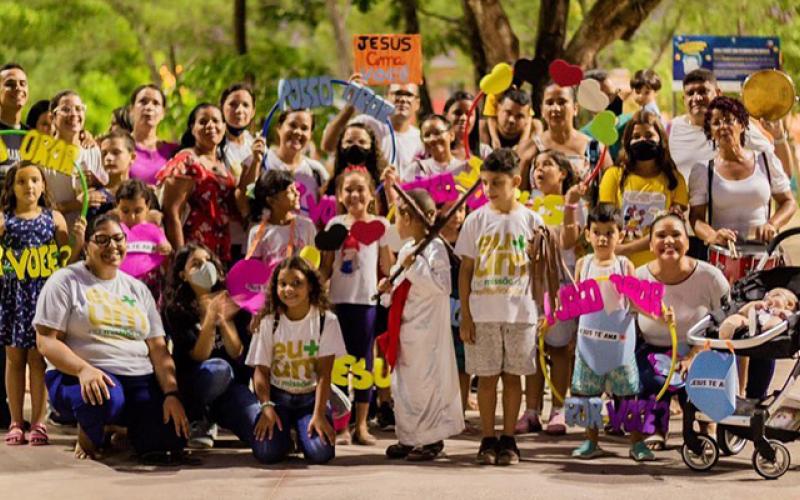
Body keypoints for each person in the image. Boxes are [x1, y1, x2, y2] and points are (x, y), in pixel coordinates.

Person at [34, 214, 189, 461]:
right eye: (102, 240)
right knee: (105, 400)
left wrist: (171, 394)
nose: (113, 246)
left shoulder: (138, 288)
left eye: (118, 239)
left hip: (138, 377)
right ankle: (92, 430)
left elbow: (158, 348)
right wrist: (83, 370)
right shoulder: (65, 281)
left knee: (171, 438)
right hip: (81, 376)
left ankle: (118, 428)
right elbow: (46, 341)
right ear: (87, 245)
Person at [454, 148, 543, 466]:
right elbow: (465, 269)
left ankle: (509, 439)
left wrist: (542, 310)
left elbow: (541, 270)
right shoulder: (476, 220)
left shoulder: (533, 220)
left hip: (521, 313)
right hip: (483, 313)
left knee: (513, 377)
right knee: (487, 378)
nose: (490, 190)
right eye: (486, 183)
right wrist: (466, 313)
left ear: (516, 181)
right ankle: (487, 438)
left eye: (497, 183)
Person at [1, 162, 83, 446]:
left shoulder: (54, 218)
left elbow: (65, 260)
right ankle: (15, 420)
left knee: (38, 359)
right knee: (14, 359)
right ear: (11, 187)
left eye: (35, 180)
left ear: (43, 185)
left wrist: (78, 240)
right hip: (13, 295)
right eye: (22, 181)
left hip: (42, 296)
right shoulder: (4, 220)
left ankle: (38, 421)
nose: (29, 186)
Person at [379, 189, 464, 461]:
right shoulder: (406, 249)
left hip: (428, 333)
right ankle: (408, 437)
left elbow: (442, 286)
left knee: (426, 384)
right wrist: (386, 288)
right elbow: (398, 286)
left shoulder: (435, 248)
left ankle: (430, 439)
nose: (397, 222)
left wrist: (414, 267)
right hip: (406, 329)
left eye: (401, 215)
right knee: (404, 385)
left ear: (413, 219)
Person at [635, 213, 729, 450]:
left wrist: (694, 354)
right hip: (653, 349)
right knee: (654, 376)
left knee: (703, 370)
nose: (669, 241)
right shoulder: (638, 277)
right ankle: (657, 426)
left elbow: (725, 323)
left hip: (702, 347)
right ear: (650, 244)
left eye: (676, 235)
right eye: (661, 236)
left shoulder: (710, 277)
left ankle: (707, 425)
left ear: (687, 242)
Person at [570, 205, 653, 462]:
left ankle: (637, 442)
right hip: (589, 343)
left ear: (621, 236)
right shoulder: (583, 265)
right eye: (597, 232)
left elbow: (636, 301)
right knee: (588, 394)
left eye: (609, 232)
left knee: (628, 393)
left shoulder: (624, 265)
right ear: (588, 235)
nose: (603, 238)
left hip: (620, 343)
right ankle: (590, 440)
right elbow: (576, 303)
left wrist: (658, 314)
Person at [246, 256, 346, 464]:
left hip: (310, 400)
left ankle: (303, 430)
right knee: (266, 453)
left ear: (310, 285)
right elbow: (261, 371)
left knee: (320, 453)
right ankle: (287, 438)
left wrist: (318, 414)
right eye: (282, 284)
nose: (288, 289)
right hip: (277, 397)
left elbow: (323, 374)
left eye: (296, 283)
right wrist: (266, 406)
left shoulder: (325, 320)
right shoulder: (269, 321)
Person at [319, 166, 393, 445]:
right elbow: (326, 266)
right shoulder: (334, 225)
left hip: (366, 303)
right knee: (339, 364)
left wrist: (391, 281)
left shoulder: (380, 226)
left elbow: (387, 265)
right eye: (348, 189)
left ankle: (361, 425)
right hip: (338, 303)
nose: (354, 195)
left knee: (363, 364)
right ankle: (341, 427)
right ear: (339, 195)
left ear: (371, 194)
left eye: (360, 188)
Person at [162, 243, 258, 450]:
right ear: (183, 275)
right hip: (197, 384)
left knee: (261, 433)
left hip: (233, 388)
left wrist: (223, 320)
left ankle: (225, 416)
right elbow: (198, 355)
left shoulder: (234, 301)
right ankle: (200, 418)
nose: (205, 267)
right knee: (218, 369)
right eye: (196, 264)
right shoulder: (176, 310)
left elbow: (237, 351)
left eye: (208, 261)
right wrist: (209, 319)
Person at [516, 150, 584, 435]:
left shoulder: (576, 205)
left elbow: (570, 240)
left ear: (563, 173)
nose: (539, 170)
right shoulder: (524, 204)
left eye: (547, 164)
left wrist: (569, 208)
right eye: (535, 166)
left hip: (561, 285)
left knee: (558, 348)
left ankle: (558, 408)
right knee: (531, 348)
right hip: (530, 283)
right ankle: (530, 411)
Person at [689, 96, 795, 247]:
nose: (723, 126)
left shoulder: (765, 160)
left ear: (742, 125)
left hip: (763, 254)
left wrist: (772, 224)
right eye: (716, 123)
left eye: (729, 120)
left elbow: (789, 202)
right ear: (710, 132)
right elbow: (696, 218)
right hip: (723, 255)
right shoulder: (703, 170)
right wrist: (713, 236)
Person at [599, 110, 688, 267]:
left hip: (661, 267)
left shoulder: (675, 180)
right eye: (636, 137)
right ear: (627, 142)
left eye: (649, 135)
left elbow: (672, 231)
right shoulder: (613, 176)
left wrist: (624, 249)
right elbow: (605, 223)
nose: (642, 140)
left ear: (661, 140)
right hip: (621, 267)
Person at [669, 69, 793, 181]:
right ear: (683, 99)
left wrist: (779, 137)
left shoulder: (736, 128)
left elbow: (783, 173)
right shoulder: (671, 129)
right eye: (690, 93)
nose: (697, 97)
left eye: (703, 91)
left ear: (718, 93)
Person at [158, 103, 240, 265]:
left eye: (216, 121)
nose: (211, 126)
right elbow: (172, 212)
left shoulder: (224, 165)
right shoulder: (187, 160)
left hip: (220, 251)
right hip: (193, 251)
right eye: (203, 122)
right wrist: (181, 259)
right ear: (192, 128)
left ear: (224, 127)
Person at [321, 77, 423, 175]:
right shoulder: (366, 124)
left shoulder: (421, 140)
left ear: (417, 103)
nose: (402, 99)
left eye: (409, 95)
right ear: (386, 97)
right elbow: (328, 145)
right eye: (397, 93)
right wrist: (350, 106)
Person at [519, 83, 609, 189]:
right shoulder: (528, 147)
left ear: (575, 108)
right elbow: (515, 196)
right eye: (549, 103)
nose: (556, 108)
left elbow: (610, 193)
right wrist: (524, 164)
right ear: (542, 110)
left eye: (562, 102)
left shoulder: (595, 148)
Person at [437, 198, 476, 432]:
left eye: (460, 209)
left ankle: (459, 412)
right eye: (450, 209)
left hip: (463, 307)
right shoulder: (433, 242)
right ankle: (441, 411)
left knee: (463, 363)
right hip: (439, 308)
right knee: (442, 361)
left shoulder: (468, 241)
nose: (456, 215)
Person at [48, 90, 110, 225]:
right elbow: (33, 209)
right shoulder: (42, 156)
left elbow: (107, 194)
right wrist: (74, 205)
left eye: (79, 109)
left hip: (89, 238)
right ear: (52, 117)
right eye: (66, 109)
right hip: (53, 239)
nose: (74, 114)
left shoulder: (93, 151)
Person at [261, 109, 329, 218]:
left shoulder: (317, 171)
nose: (297, 132)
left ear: (310, 134)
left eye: (304, 128)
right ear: (279, 128)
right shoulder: (261, 162)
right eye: (292, 125)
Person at [114, 179, 171, 302]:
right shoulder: (114, 231)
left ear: (148, 207)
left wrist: (164, 247)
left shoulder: (153, 229)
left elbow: (166, 246)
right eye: (125, 211)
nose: (132, 217)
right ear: (117, 207)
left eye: (138, 211)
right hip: (121, 284)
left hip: (150, 284)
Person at [128, 84, 178, 185]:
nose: (149, 107)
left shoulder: (174, 151)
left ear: (163, 113)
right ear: (131, 110)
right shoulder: (119, 146)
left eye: (156, 103)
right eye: (143, 102)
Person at [401, 115, 466, 182]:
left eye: (437, 133)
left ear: (451, 135)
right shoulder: (416, 168)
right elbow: (400, 192)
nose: (432, 139)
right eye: (427, 135)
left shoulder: (465, 168)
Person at [720, 288, 797, 340]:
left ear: (789, 304)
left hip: (769, 331)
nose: (768, 298)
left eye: (775, 296)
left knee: (777, 322)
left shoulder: (787, 312)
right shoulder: (761, 306)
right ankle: (728, 328)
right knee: (740, 318)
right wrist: (754, 305)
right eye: (766, 297)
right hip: (750, 323)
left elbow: (790, 318)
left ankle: (767, 329)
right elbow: (742, 312)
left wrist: (779, 313)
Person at [444, 90, 492, 160]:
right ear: (445, 115)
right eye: (457, 113)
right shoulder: (433, 152)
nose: (463, 118)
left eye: (469, 114)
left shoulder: (485, 152)